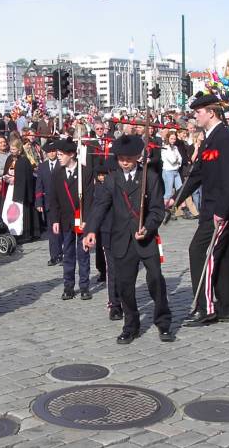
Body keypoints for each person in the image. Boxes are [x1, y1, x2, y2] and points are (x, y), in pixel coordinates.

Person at [84, 135, 173, 343]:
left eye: (129, 158)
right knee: (125, 286)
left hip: (146, 238)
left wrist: (148, 227)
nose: (124, 162)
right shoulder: (112, 179)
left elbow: (158, 210)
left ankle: (163, 322)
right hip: (121, 239)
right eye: (121, 158)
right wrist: (90, 230)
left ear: (137, 157)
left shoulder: (149, 177)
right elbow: (100, 206)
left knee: (156, 281)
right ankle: (130, 325)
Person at [169, 94, 229, 325]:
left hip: (218, 210)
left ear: (211, 112)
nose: (195, 116)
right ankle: (226, 308)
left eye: (199, 112)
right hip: (211, 208)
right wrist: (176, 198)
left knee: (199, 251)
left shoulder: (226, 138)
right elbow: (198, 174)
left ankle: (205, 307)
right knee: (222, 257)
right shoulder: (209, 139)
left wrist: (221, 212)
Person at [49, 139, 93, 300]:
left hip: (81, 218)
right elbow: (53, 199)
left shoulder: (85, 172)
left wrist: (87, 219)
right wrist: (54, 220)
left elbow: (89, 199)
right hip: (65, 219)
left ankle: (84, 286)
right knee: (68, 253)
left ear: (72, 154)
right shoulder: (56, 173)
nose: (58, 157)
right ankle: (68, 286)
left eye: (61, 154)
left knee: (83, 253)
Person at [93, 163, 122, 321]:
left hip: (124, 231)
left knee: (124, 270)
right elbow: (97, 209)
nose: (103, 177)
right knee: (112, 270)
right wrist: (91, 228)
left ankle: (126, 299)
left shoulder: (121, 183)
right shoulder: (99, 188)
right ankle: (114, 304)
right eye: (100, 175)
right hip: (107, 231)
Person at [34, 141, 63, 266]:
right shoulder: (43, 166)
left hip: (62, 202)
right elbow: (39, 185)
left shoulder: (62, 164)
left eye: (53, 151)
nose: (52, 153)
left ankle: (63, 253)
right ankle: (54, 255)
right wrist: (39, 202)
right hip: (48, 203)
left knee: (62, 229)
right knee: (52, 230)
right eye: (49, 151)